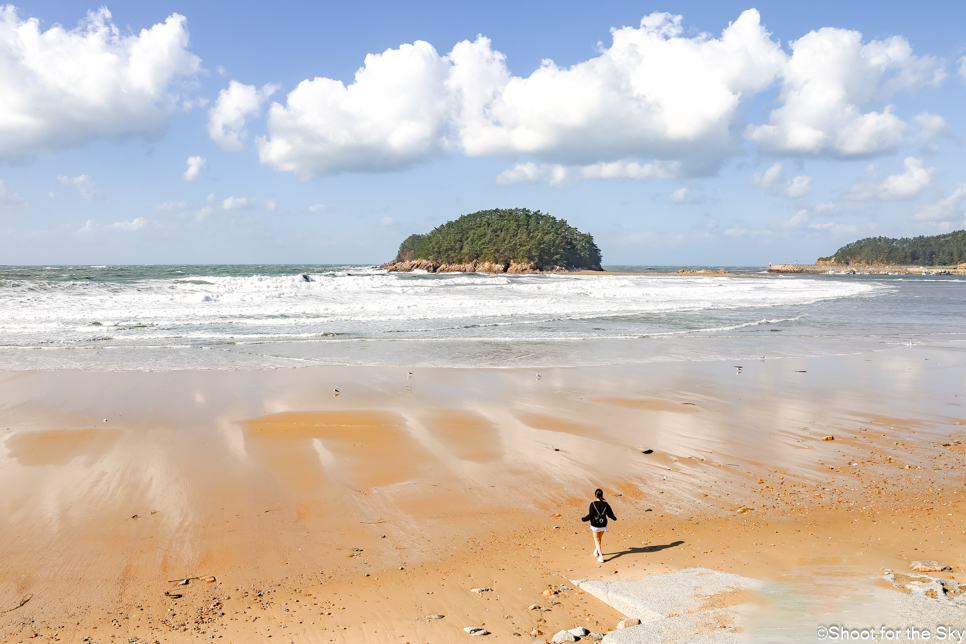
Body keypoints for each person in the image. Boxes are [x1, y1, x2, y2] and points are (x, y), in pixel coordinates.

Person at [581, 488, 616, 563]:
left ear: (595, 495)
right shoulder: (605, 504)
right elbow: (610, 514)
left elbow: (591, 515)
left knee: (597, 540)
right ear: (602, 495)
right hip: (603, 525)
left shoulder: (593, 504)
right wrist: (614, 518)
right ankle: (596, 551)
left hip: (595, 526)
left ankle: (601, 556)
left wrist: (583, 519)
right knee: (599, 539)